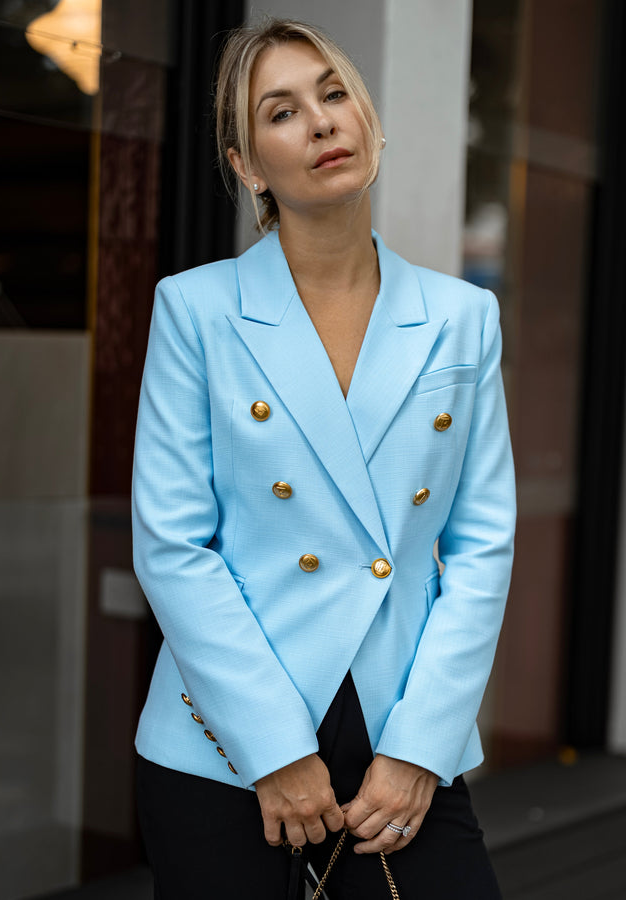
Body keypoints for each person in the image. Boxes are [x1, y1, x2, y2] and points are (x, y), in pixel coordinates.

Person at [132, 17, 515, 900]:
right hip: (226, 739)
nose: (321, 121)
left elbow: (482, 541)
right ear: (247, 165)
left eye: (334, 93)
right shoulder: (197, 311)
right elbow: (174, 545)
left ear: (370, 119)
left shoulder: (461, 317)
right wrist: (273, 747)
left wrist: (422, 747)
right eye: (282, 110)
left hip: (402, 729)